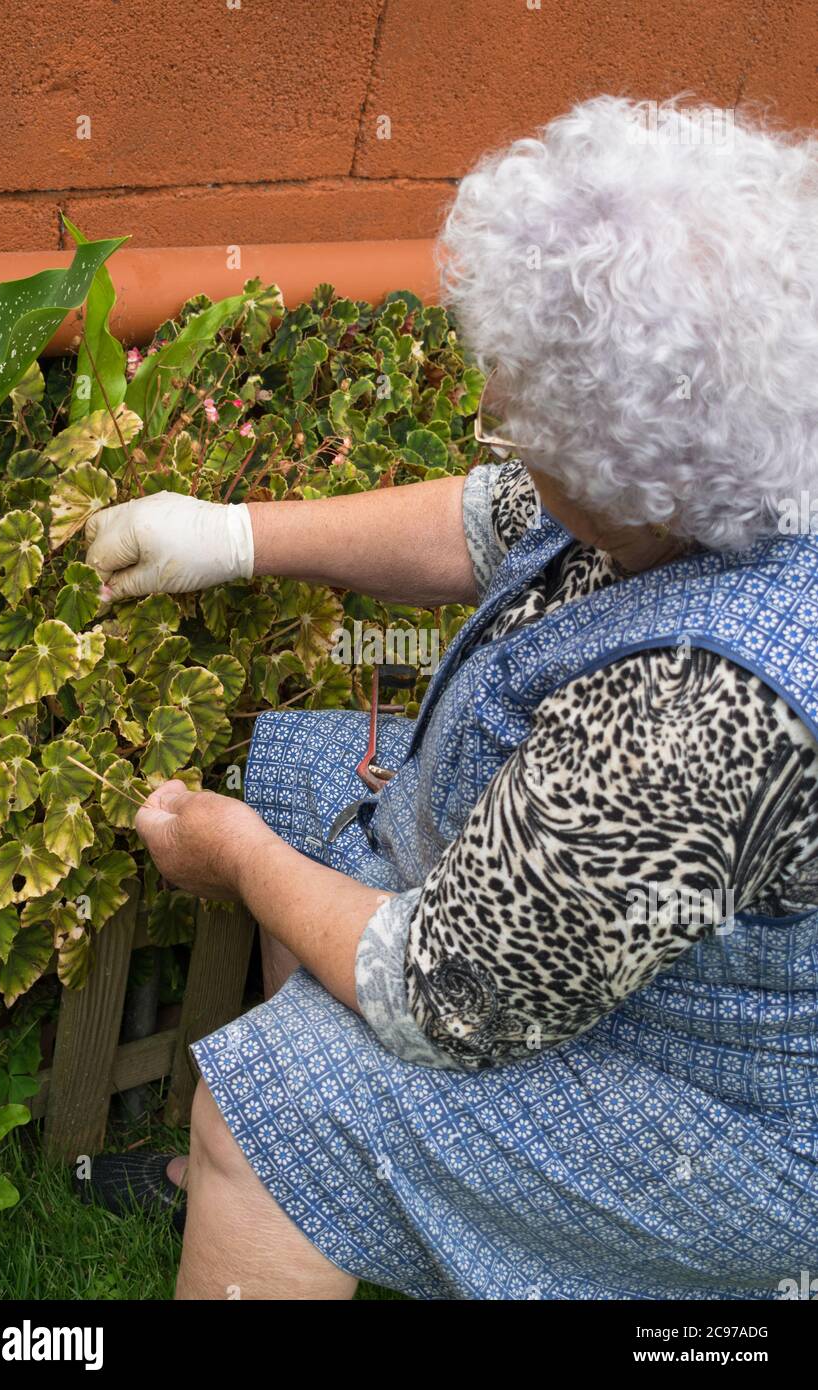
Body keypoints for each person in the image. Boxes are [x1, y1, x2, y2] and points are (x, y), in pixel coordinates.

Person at [79, 97, 818, 1300]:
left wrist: (236, 857)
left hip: (719, 1109)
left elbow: (446, 991)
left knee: (285, 1116)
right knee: (327, 785)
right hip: (595, 946)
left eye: (522, 423)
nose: (499, 433)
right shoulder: (742, 450)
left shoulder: (702, 712)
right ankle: (340, 1202)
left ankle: (276, 1170)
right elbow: (489, 525)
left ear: (628, 469)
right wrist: (229, 536)